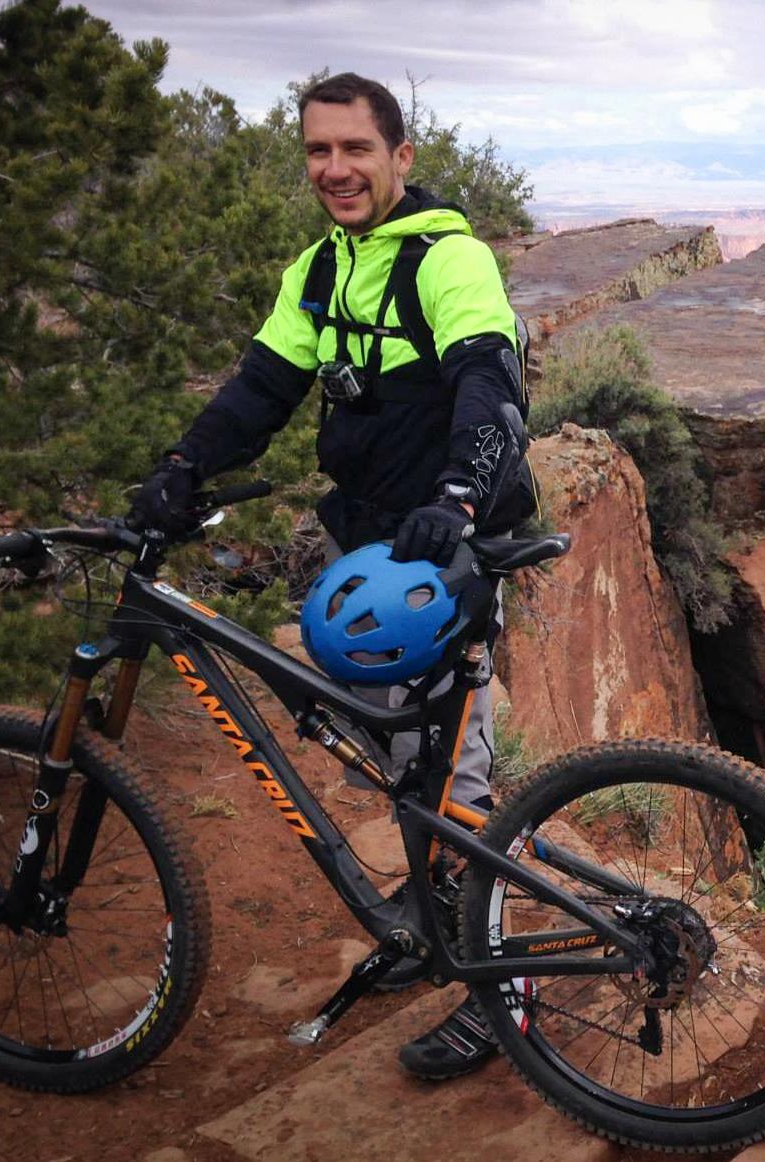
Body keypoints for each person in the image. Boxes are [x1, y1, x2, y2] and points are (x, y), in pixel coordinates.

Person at [128, 72, 530, 1081]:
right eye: (318, 151)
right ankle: (435, 920)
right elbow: (261, 387)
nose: (336, 169)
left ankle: (501, 992)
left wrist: (461, 498)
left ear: (400, 156)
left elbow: (490, 378)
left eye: (356, 149)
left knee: (448, 767)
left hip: (446, 545)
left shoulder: (447, 258)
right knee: (395, 746)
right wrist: (183, 464)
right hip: (370, 542)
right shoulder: (319, 271)